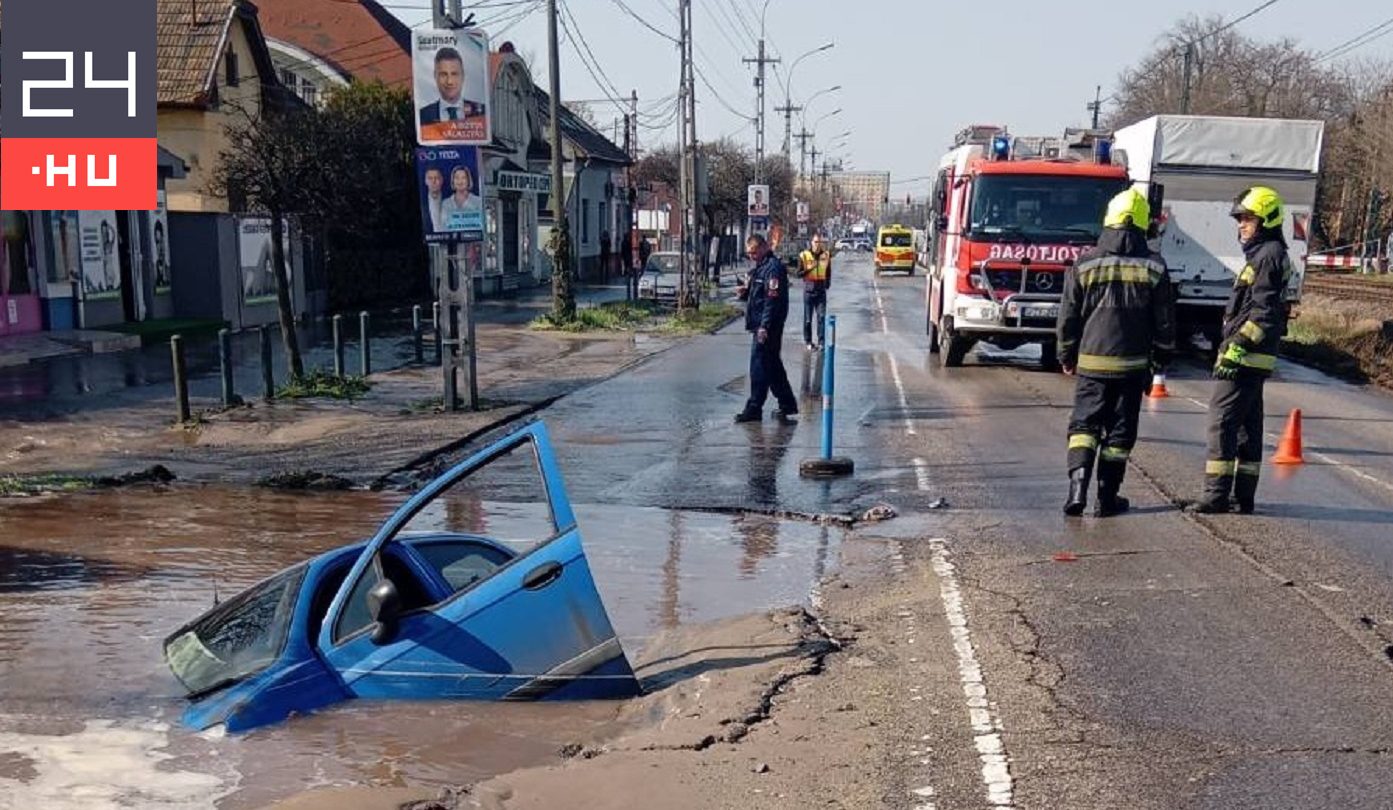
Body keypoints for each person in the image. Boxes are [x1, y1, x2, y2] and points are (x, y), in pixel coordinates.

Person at [1058, 188, 1175, 517]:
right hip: (1132, 368)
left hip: (1091, 365)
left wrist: (1066, 354)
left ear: (1108, 220)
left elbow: (1067, 316)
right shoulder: (1154, 267)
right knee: (1119, 434)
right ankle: (1107, 498)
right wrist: (1162, 358)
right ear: (1142, 224)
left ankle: (1077, 492)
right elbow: (1164, 322)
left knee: (1083, 427)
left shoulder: (1084, 264)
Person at [1193, 186, 1292, 514]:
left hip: (1246, 356)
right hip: (1255, 358)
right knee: (1248, 427)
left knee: (1221, 422)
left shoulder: (1268, 256)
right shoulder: (1268, 254)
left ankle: (1216, 495)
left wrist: (1236, 347)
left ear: (1266, 219)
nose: (1241, 225)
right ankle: (1242, 496)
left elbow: (1262, 313)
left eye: (1248, 219)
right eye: (1240, 219)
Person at [735, 233, 798, 424]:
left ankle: (754, 407)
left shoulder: (773, 268)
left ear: (762, 248)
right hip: (759, 324)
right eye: (749, 254)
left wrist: (764, 326)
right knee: (771, 366)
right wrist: (745, 293)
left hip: (768, 326)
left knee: (759, 366)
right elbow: (758, 296)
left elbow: (771, 300)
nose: (751, 256)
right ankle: (787, 403)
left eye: (754, 252)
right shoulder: (761, 268)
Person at [419, 48, 484, 126]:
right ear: (435, 76)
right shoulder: (422, 115)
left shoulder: (481, 112)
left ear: (463, 76)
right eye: (443, 74)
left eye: (454, 74)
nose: (449, 81)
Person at [797, 234, 832, 350]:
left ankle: (821, 342)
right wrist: (810, 269)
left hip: (820, 291)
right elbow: (798, 273)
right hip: (809, 291)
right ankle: (808, 341)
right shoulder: (804, 255)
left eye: (819, 242)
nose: (817, 244)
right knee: (808, 319)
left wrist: (827, 284)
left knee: (821, 317)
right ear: (811, 242)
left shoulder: (825, 255)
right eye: (815, 242)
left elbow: (828, 271)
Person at [440, 165, 482, 230]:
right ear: (453, 181)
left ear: (468, 180)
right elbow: (443, 227)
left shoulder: (478, 201)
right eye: (457, 178)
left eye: (463, 178)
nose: (460, 181)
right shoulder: (446, 203)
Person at [423, 167, 446, 232]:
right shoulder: (420, 200)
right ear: (425, 181)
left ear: (442, 180)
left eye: (437, 178)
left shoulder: (450, 199)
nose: (433, 181)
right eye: (430, 178)